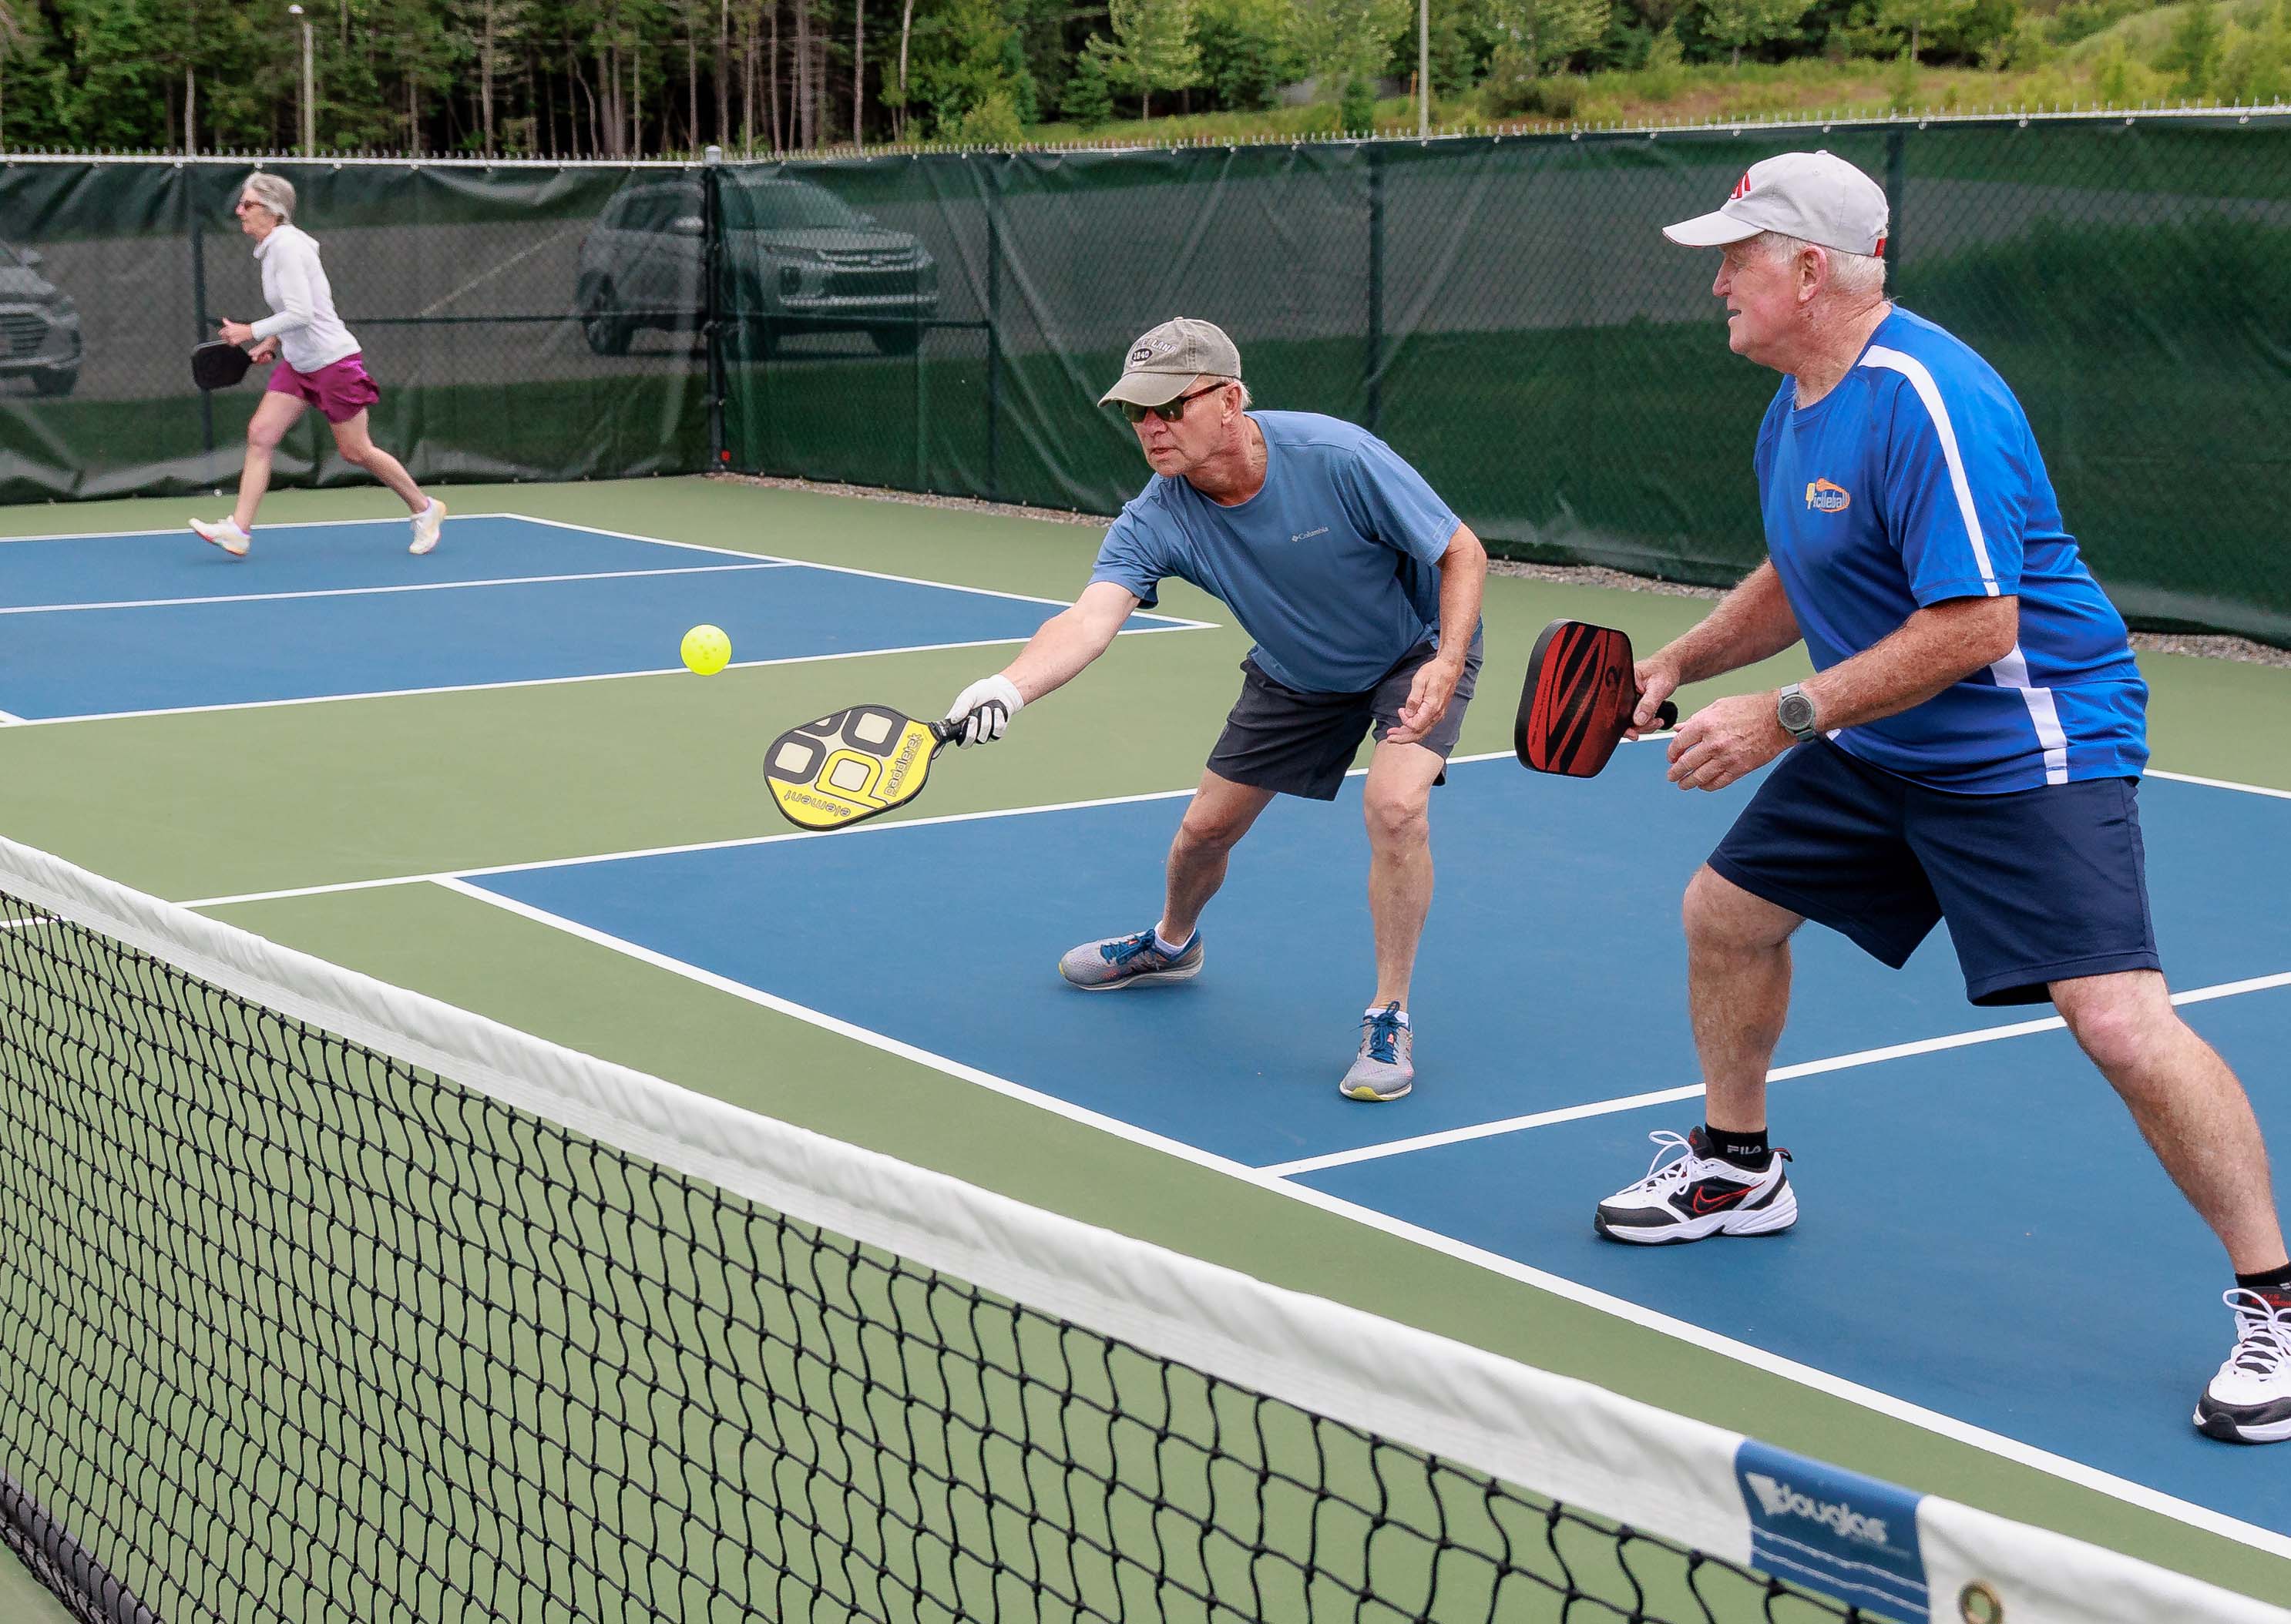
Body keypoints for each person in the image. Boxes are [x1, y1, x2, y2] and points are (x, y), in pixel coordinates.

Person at [1590, 150, 2291, 1443]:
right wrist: (1685, 659)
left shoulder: (1925, 395)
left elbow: (1974, 624)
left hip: (2024, 747)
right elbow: (1806, 568)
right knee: (1726, 913)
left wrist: (1781, 716)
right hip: (1886, 743)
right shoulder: (1798, 402)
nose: (1716, 285)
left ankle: (2280, 1300)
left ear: (1810, 270)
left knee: (2120, 1023)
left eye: (1736, 259)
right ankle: (1736, 1170)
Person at [941, 317, 1486, 1102]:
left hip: (1414, 649)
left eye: (1170, 406)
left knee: (1396, 806)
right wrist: (1008, 686)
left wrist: (1445, 658)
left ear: (1229, 399)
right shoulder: (1158, 515)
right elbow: (1091, 619)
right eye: (1137, 413)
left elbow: (1460, 550)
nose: (1151, 428)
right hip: (1297, 669)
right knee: (1203, 831)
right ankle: (1171, 943)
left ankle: (1389, 1013)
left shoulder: (1336, 456)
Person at [189, 173, 445, 559]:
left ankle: (425, 509)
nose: (239, 211)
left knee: (356, 451)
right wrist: (269, 343)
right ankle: (239, 530)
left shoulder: (288, 247)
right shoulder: (273, 249)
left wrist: (249, 330)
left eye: (247, 204)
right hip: (299, 363)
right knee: (260, 434)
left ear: (273, 212)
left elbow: (303, 313)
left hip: (333, 363)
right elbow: (291, 312)